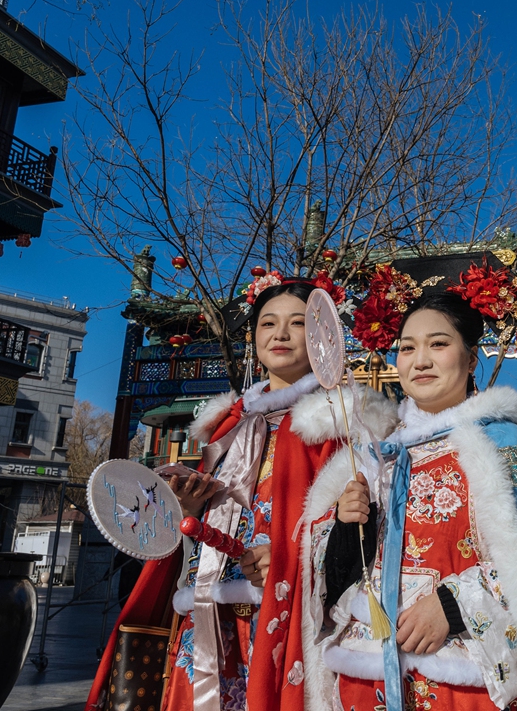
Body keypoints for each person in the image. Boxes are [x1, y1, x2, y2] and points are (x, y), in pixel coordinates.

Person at [87, 273, 399, 711]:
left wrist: (296, 555)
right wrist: (191, 504)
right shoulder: (231, 425)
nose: (281, 334)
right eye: (268, 323)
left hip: (288, 613)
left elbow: (371, 521)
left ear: (324, 336)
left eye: (298, 323)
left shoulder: (343, 421)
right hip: (210, 608)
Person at [322, 258, 517, 710]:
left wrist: (453, 605)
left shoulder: (502, 443)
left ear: (471, 356)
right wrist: (347, 523)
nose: (420, 360)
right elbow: (343, 574)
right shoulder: (379, 452)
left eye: (438, 344)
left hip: (464, 673)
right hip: (371, 668)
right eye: (406, 347)